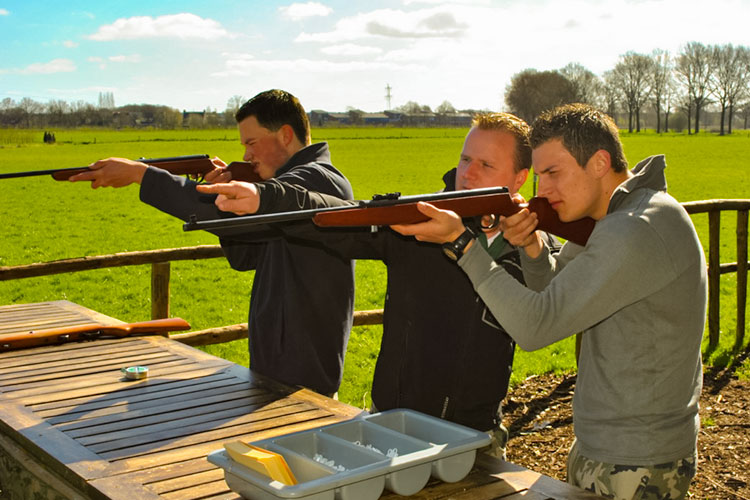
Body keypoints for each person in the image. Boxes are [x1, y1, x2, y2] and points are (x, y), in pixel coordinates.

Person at [196, 112, 560, 458]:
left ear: (519, 178)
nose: (468, 173)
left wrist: (531, 244)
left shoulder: (534, 249)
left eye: (486, 165)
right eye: (466, 159)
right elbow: (340, 217)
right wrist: (267, 199)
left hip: (476, 437)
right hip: (391, 426)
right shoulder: (417, 222)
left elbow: (552, 312)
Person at [391, 103, 705, 499]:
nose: (543, 191)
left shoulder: (634, 230)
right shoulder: (613, 219)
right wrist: (533, 248)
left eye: (554, 173)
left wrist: (464, 245)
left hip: (636, 458)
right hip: (610, 447)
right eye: (538, 176)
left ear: (599, 162)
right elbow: (551, 292)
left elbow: (536, 327)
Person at [69, 89, 355, 397]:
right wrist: (223, 192)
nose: (247, 155)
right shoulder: (290, 183)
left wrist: (143, 175)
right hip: (279, 367)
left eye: (251, 143)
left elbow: (255, 220)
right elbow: (244, 255)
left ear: (285, 135)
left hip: (305, 376)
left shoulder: (317, 180)